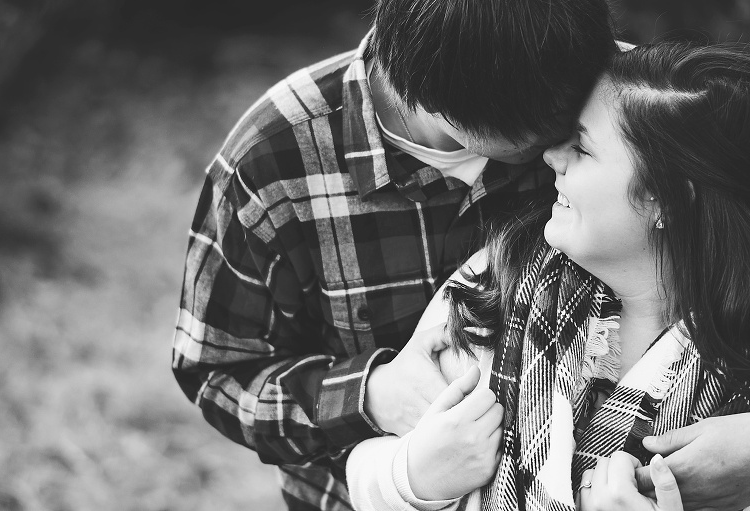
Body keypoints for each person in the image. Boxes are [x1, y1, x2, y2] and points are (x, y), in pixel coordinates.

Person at [171, 1, 618, 509]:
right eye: (544, 128)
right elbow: (218, 373)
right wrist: (369, 395)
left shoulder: (619, 99)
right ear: (442, 95)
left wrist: (732, 436)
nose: (561, 139)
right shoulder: (272, 159)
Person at [346, 41, 750, 511]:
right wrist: (414, 475)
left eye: (580, 147)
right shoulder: (498, 283)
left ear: (666, 199)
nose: (550, 157)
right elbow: (364, 476)